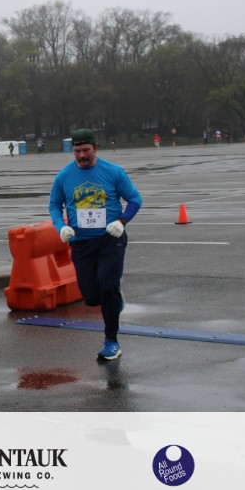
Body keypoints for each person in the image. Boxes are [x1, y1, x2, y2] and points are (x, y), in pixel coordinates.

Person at [48, 128, 142, 361]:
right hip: (81, 243)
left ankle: (111, 341)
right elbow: (54, 206)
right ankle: (114, 295)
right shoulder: (64, 176)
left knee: (107, 286)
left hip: (110, 239)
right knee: (91, 297)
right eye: (77, 151)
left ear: (96, 148)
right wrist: (61, 227)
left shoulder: (113, 172)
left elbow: (135, 199)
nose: (82, 155)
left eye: (86, 150)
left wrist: (122, 221)